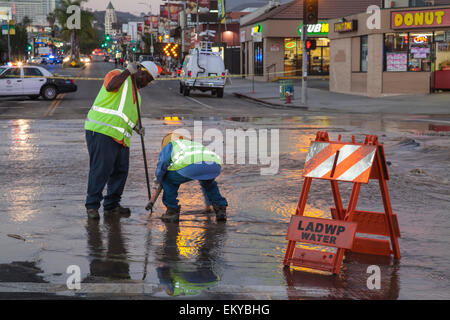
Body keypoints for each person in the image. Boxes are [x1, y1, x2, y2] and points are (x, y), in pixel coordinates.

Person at [84, 61, 160, 219]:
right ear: (140, 71)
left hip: (121, 138)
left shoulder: (137, 96)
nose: (147, 83)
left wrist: (136, 127)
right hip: (101, 131)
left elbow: (127, 117)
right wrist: (127, 71)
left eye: (150, 81)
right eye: (147, 78)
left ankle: (111, 205)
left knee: (120, 172)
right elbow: (111, 86)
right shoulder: (118, 75)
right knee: (100, 170)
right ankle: (92, 206)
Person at [155, 133, 228, 223]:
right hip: (214, 165)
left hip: (191, 166)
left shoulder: (170, 145)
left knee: (168, 180)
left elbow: (163, 162)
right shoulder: (194, 144)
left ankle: (172, 212)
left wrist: (159, 178)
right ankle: (220, 208)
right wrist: (208, 205)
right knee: (208, 183)